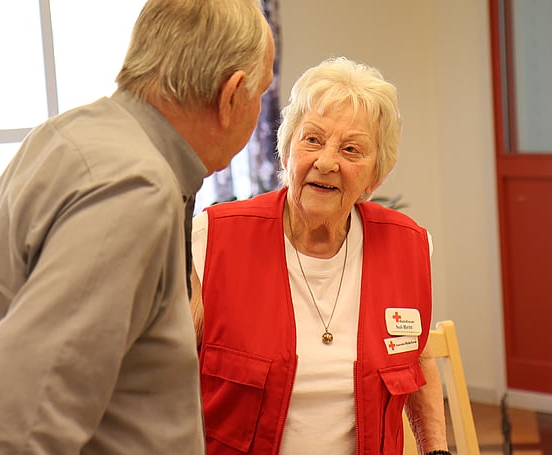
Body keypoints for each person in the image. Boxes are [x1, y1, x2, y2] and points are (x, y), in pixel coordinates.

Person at [0, 0, 275, 453]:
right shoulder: (133, 189)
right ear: (231, 96)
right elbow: (15, 433)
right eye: (261, 93)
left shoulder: (71, 135)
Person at [190, 57, 450, 455]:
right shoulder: (214, 240)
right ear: (286, 151)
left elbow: (417, 359)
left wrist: (437, 450)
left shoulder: (407, 246)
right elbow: (160, 374)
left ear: (376, 175)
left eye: (351, 149)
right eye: (312, 140)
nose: (326, 162)